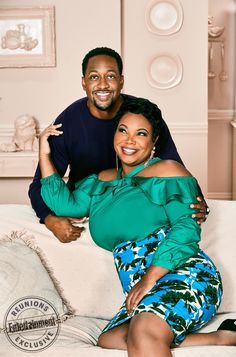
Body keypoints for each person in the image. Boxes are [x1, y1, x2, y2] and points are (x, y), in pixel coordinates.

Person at [39, 98, 236, 357]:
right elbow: (64, 205)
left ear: (154, 141)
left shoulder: (169, 171)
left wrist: (149, 278)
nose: (129, 140)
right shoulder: (100, 181)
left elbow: (186, 231)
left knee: (142, 332)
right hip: (144, 284)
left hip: (184, 273)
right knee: (110, 339)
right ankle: (219, 339)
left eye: (140, 133)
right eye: (123, 130)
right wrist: (43, 151)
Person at [29, 47, 208, 244]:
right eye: (94, 77)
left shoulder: (142, 116)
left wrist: (198, 200)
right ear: (84, 82)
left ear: (121, 80)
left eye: (111, 76)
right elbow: (39, 184)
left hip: (134, 200)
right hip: (88, 201)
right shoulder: (67, 122)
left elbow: (174, 168)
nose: (103, 84)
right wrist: (50, 220)